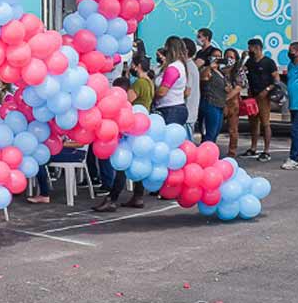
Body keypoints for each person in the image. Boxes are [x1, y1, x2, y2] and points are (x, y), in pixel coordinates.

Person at [93, 77, 143, 212]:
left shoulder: (121, 108)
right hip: (138, 140)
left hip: (126, 142)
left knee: (122, 168)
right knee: (138, 165)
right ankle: (138, 196)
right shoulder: (131, 107)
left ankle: (112, 199)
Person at [244, 38, 281, 162]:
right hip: (252, 97)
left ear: (257, 48)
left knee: (265, 123)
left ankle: (266, 150)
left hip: (264, 97)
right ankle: (253, 148)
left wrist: (267, 90)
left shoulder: (269, 62)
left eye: (250, 48)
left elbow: (276, 79)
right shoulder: (249, 62)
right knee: (253, 123)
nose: (249, 50)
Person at [26, 136, 87, 204]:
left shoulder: (79, 127)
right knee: (40, 158)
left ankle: (44, 194)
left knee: (40, 159)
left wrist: (59, 144)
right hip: (63, 149)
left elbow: (80, 144)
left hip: (77, 152)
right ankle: (43, 193)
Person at [154, 36, 190, 134]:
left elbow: (162, 92)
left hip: (170, 109)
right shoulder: (181, 65)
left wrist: (151, 93)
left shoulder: (173, 68)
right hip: (175, 107)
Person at [223, 48, 248, 158]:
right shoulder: (221, 69)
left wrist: (227, 98)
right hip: (220, 100)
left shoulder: (239, 70)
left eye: (232, 57)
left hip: (232, 102)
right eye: (227, 57)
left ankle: (232, 152)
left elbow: (239, 87)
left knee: (233, 129)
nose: (229, 59)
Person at [200, 52, 227, 144]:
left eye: (219, 56)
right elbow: (203, 77)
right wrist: (209, 67)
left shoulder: (221, 72)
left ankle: (211, 151)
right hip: (210, 103)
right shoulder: (207, 70)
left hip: (220, 104)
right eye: (215, 56)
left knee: (216, 131)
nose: (217, 58)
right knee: (210, 133)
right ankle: (205, 153)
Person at [182, 38, 201, 136]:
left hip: (187, 114)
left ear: (186, 51)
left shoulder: (188, 67)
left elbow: (187, 91)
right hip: (188, 113)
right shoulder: (188, 65)